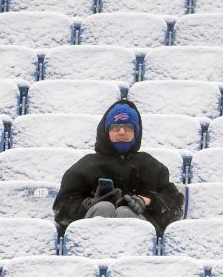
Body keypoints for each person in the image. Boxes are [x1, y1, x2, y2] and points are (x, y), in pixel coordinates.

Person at [53, 99, 184, 236]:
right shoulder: (85, 166)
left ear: (136, 132)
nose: (121, 132)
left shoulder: (151, 166)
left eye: (128, 127)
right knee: (104, 208)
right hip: (91, 235)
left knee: (125, 212)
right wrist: (90, 204)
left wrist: (148, 201)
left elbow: (175, 207)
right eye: (115, 127)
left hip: (139, 237)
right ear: (106, 131)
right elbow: (61, 209)